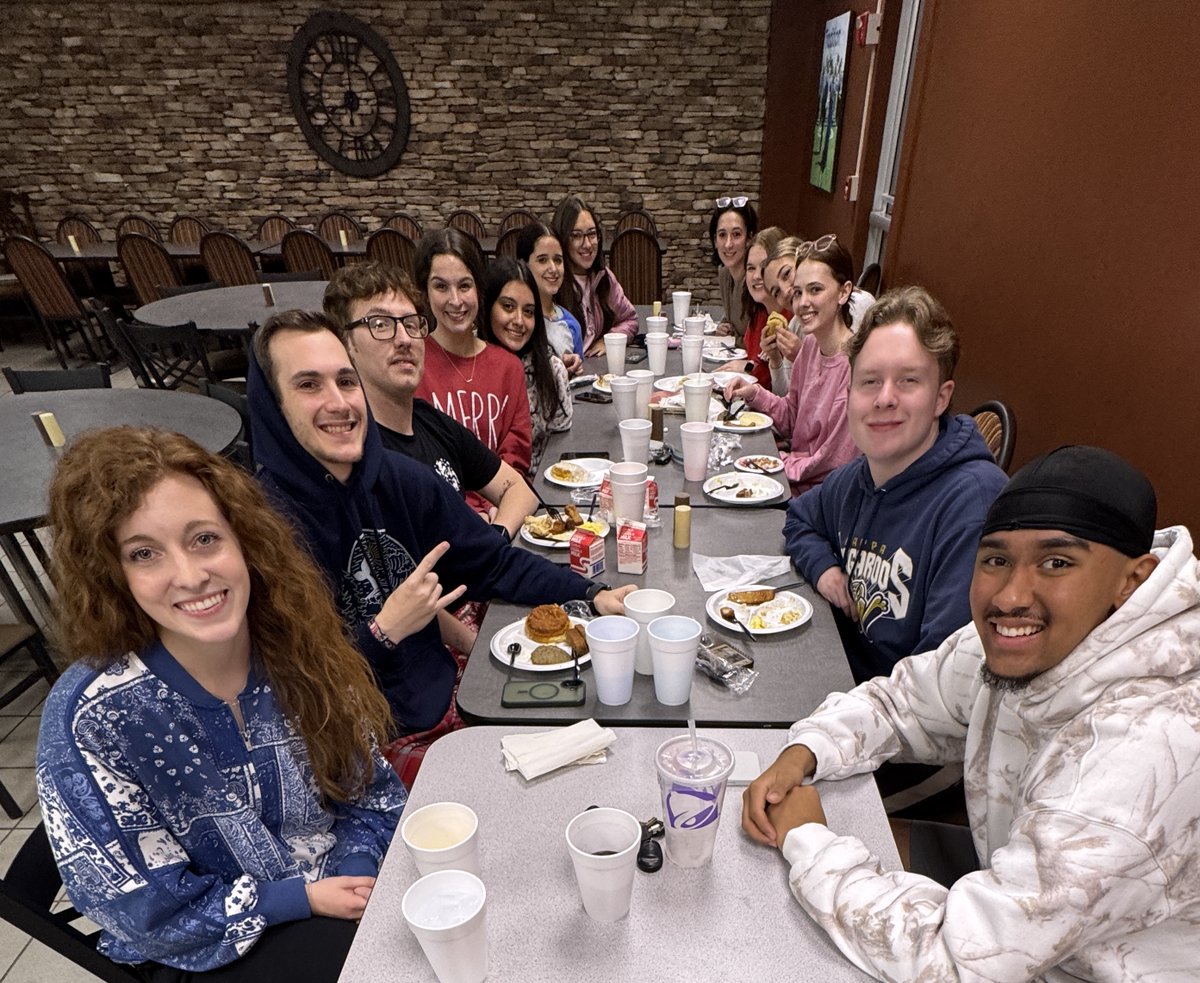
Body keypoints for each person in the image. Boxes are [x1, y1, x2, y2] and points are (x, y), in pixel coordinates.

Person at [743, 446, 1200, 981]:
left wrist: (808, 841)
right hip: (1014, 900)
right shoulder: (1025, 642)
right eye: (996, 559)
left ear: (1134, 580)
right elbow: (902, 699)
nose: (1010, 595)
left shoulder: (1141, 757)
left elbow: (956, 961)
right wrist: (808, 750)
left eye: (1057, 562)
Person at [37, 427, 407, 981]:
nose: (190, 575)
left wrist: (356, 873)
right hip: (214, 944)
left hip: (342, 886)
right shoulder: (91, 720)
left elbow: (368, 793)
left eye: (204, 538)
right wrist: (299, 900)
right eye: (144, 553)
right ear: (113, 575)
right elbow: (144, 912)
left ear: (244, 541)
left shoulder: (296, 644)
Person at [247, 309, 634, 785]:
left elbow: (493, 564)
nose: (338, 403)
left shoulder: (402, 480)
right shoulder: (259, 530)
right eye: (308, 385)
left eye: (345, 382)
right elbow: (286, 697)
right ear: (272, 404)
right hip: (359, 749)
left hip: (448, 702)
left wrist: (593, 594)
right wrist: (385, 630)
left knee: (604, 744)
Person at [784, 286, 1008, 682]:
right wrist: (825, 570)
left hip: (898, 723)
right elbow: (800, 517)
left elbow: (938, 684)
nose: (884, 398)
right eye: (869, 381)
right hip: (839, 681)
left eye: (907, 381)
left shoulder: (972, 506)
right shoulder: (859, 477)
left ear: (941, 398)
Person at [324, 260, 540, 657]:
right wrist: (475, 650)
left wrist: (492, 542)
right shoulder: (358, 458)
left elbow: (519, 490)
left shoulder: (428, 421)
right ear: (345, 344)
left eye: (410, 323)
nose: (403, 339)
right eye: (380, 325)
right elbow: (403, 595)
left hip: (481, 595)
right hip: (430, 648)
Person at [725, 235, 860, 495]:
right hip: (791, 480)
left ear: (844, 292)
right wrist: (754, 393)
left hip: (819, 498)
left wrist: (772, 462)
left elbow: (833, 461)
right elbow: (792, 419)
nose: (802, 302)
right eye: (798, 292)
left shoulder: (855, 367)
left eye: (815, 290)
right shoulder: (809, 346)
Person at [412, 227, 533, 488]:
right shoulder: (412, 365)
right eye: (441, 286)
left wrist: (493, 508)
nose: (455, 300)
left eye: (464, 285)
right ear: (426, 291)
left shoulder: (508, 368)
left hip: (502, 511)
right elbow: (417, 463)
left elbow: (516, 456)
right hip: (441, 516)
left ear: (479, 288)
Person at [480, 257, 572, 471]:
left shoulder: (551, 371)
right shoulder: (470, 367)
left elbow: (561, 448)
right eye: (508, 307)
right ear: (487, 305)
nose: (519, 320)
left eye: (529, 311)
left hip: (536, 490)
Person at [763, 235, 876, 394]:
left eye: (787, 274)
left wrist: (801, 357)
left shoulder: (858, 306)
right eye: (776, 292)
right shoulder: (798, 328)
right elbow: (791, 400)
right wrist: (775, 360)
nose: (786, 290)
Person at [552, 194, 638, 355]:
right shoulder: (552, 282)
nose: (587, 244)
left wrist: (610, 340)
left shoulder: (603, 277)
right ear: (562, 239)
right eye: (576, 236)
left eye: (592, 234)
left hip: (595, 373)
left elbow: (630, 319)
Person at [715, 225, 787, 388]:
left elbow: (782, 388)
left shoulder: (792, 320)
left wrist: (748, 367)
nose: (756, 276)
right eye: (750, 268)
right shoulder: (759, 315)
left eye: (763, 267)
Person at [516, 221, 584, 376]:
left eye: (558, 260)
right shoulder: (515, 322)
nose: (553, 269)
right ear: (523, 264)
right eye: (542, 260)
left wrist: (573, 368)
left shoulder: (571, 325)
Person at [708, 195, 758, 339]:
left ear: (749, 238)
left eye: (736, 234)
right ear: (715, 241)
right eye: (722, 235)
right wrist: (724, 327)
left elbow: (758, 344)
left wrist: (733, 337)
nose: (728, 244)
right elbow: (734, 322)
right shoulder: (724, 273)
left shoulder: (755, 279)